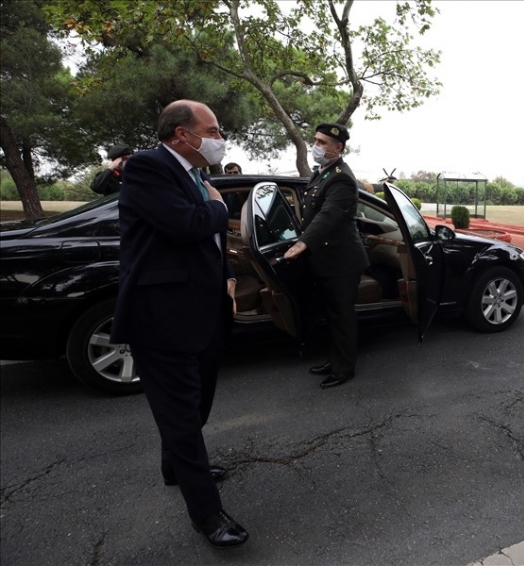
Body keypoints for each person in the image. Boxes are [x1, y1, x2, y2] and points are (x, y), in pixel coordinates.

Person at [111, 100, 248, 548]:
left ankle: (175, 467)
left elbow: (210, 242)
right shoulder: (149, 168)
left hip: (204, 312)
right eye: (211, 129)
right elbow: (187, 224)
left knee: (197, 407)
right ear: (180, 135)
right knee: (182, 420)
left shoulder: (196, 174)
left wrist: (228, 276)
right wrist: (219, 205)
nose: (218, 136)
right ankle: (207, 514)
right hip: (162, 318)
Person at [282, 123, 369, 389]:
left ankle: (344, 369)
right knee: (331, 315)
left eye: (322, 143)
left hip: (341, 261)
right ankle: (334, 360)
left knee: (342, 316)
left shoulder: (341, 177)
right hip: (326, 258)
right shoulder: (325, 173)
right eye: (316, 141)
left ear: (338, 148)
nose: (316, 146)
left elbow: (329, 215)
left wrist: (304, 242)